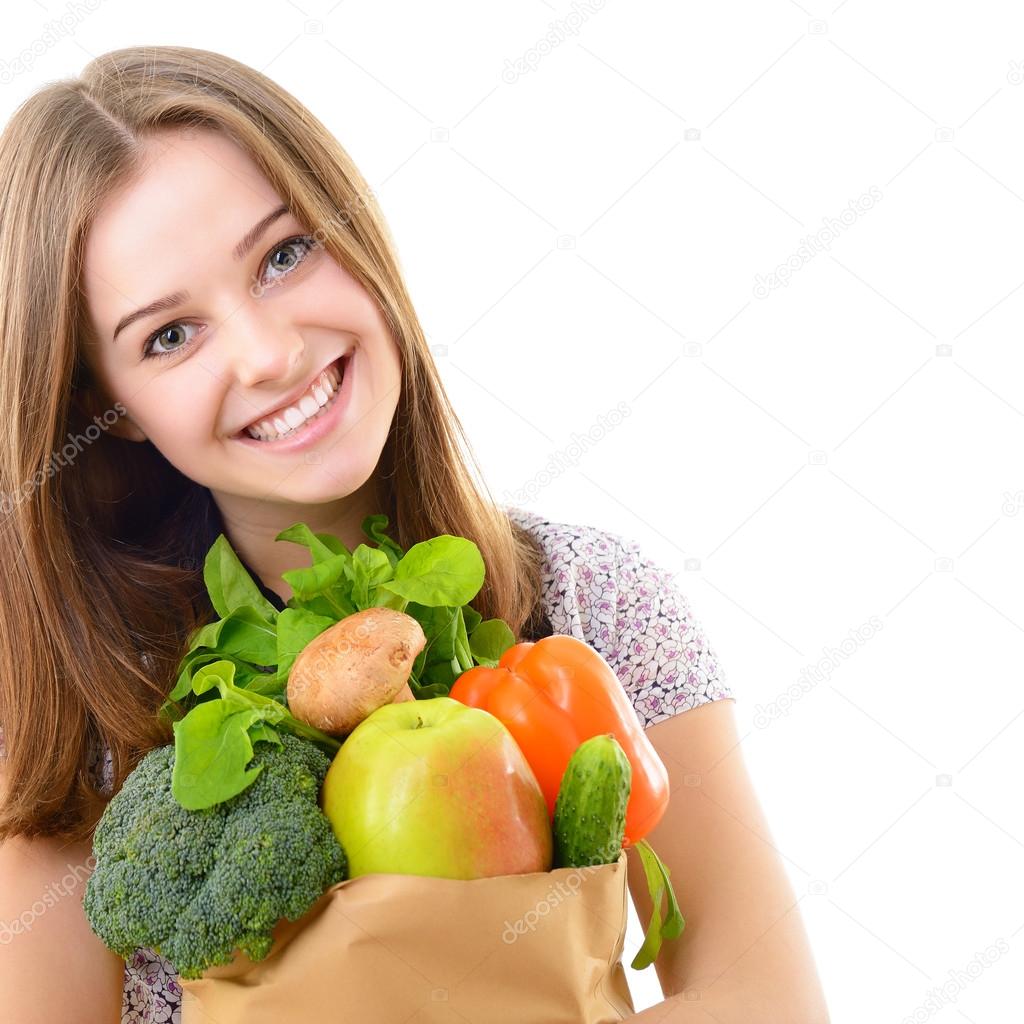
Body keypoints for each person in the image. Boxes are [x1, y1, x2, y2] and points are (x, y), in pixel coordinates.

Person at [0, 46, 829, 1023]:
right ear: (113, 404)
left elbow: (764, 996)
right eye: (169, 336)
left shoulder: (593, 603)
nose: (269, 353)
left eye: (283, 254)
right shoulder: (76, 705)